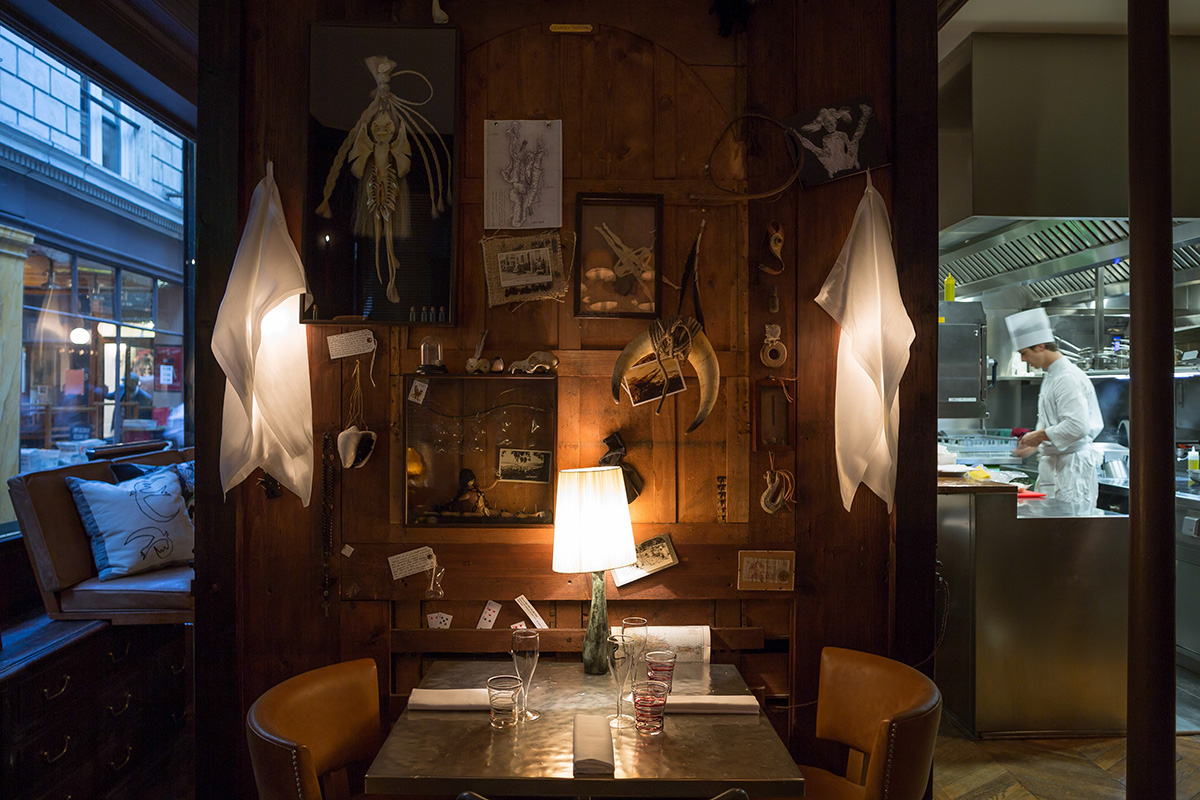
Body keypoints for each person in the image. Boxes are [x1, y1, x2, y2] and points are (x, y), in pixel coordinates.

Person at [1006, 308, 1104, 514]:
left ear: (1041, 346)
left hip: (1071, 472)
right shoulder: (1052, 375)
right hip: (1057, 468)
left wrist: (1039, 436)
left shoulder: (1066, 377)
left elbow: (1078, 426)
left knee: (1070, 533)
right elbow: (1054, 422)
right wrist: (1035, 443)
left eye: (1024, 353)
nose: (1023, 360)